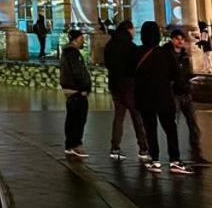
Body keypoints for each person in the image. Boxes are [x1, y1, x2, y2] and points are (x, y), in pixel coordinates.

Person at [134, 23, 193, 174]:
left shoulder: (137, 53)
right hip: (164, 98)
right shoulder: (166, 53)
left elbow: (130, 74)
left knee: (150, 130)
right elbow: (176, 75)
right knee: (170, 129)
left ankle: (155, 160)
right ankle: (174, 160)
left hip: (144, 98)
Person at [103, 21, 149, 162]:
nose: (135, 32)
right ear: (129, 30)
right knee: (137, 118)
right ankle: (143, 148)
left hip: (115, 86)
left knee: (118, 117)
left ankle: (115, 146)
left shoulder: (109, 46)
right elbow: (136, 67)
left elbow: (107, 64)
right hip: (129, 86)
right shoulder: (131, 47)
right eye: (134, 29)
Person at [172, 29, 207, 165]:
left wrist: (192, 80)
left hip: (186, 93)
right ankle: (175, 156)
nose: (180, 41)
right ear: (172, 40)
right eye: (177, 39)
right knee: (173, 125)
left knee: (193, 125)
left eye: (182, 39)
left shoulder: (185, 57)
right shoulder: (169, 56)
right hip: (175, 94)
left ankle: (196, 152)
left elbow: (187, 73)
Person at [59, 29, 92, 158]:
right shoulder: (73, 53)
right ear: (76, 39)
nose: (83, 41)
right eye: (81, 38)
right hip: (76, 90)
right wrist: (84, 88)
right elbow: (78, 72)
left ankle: (69, 144)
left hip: (70, 89)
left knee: (72, 117)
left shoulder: (68, 52)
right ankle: (75, 145)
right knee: (78, 118)